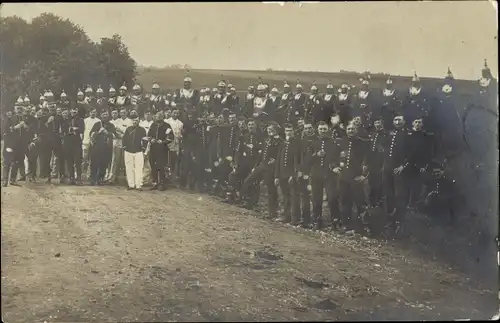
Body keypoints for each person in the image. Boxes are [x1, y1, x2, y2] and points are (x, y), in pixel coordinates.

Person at [304, 121, 341, 230]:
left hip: (329, 175)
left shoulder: (333, 143)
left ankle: (336, 222)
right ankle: (317, 221)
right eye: (320, 129)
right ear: (317, 130)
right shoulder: (313, 142)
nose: (322, 131)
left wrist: (334, 166)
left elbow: (337, 158)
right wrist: (316, 155)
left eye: (324, 129)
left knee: (332, 198)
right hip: (316, 175)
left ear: (328, 130)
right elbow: (307, 160)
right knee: (316, 199)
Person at [240, 123, 282, 218]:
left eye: (272, 129)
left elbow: (280, 156)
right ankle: (249, 202)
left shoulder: (279, 142)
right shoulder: (266, 140)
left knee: (271, 190)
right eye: (268, 129)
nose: (269, 131)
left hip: (270, 169)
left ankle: (273, 212)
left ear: (276, 130)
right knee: (248, 181)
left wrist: (275, 160)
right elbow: (261, 154)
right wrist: (256, 166)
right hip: (261, 166)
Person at [274, 123, 301, 225]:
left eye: (290, 130)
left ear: (293, 132)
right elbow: (278, 161)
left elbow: (297, 161)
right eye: (287, 131)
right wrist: (276, 176)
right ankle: (286, 216)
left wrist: (293, 174)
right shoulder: (283, 144)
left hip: (291, 175)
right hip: (282, 174)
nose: (288, 132)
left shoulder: (297, 144)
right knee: (285, 196)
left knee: (294, 196)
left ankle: (295, 219)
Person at [147, 110, 174, 191]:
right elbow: (149, 135)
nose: (158, 117)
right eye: (157, 116)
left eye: (160, 116)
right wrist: (151, 139)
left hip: (162, 148)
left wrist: (163, 141)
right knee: (153, 165)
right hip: (153, 148)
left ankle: (162, 183)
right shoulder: (153, 125)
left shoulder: (167, 126)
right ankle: (155, 182)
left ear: (163, 117)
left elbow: (170, 137)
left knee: (161, 166)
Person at [89, 110, 116, 185]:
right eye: (103, 114)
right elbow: (91, 134)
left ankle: (100, 179)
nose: (105, 116)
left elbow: (114, 135)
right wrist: (99, 132)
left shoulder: (111, 125)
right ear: (101, 115)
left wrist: (107, 133)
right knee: (94, 163)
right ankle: (93, 179)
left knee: (104, 164)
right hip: (96, 147)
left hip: (106, 148)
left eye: (106, 115)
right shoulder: (97, 124)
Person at [122, 111, 147, 190]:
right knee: (129, 168)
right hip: (128, 151)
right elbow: (124, 139)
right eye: (133, 120)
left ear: (139, 121)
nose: (135, 122)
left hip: (138, 151)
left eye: (136, 120)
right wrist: (125, 147)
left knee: (139, 168)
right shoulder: (128, 129)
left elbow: (145, 140)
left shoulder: (142, 130)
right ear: (131, 121)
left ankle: (138, 185)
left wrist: (143, 148)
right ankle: (131, 185)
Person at [62, 107, 84, 185]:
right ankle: (71, 177)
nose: (73, 114)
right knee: (69, 161)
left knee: (78, 161)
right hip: (68, 143)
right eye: (72, 112)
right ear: (70, 112)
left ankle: (79, 178)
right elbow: (64, 129)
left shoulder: (80, 120)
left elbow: (81, 129)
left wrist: (74, 129)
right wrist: (71, 129)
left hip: (77, 143)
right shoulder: (66, 120)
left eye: (75, 112)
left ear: (77, 112)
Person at [82, 108, 100, 180]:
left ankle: (90, 175)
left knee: (92, 159)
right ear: (89, 113)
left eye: (94, 112)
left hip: (94, 143)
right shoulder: (85, 120)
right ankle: (81, 174)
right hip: (86, 141)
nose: (93, 113)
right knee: (84, 158)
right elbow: (83, 130)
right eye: (92, 112)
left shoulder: (98, 121)